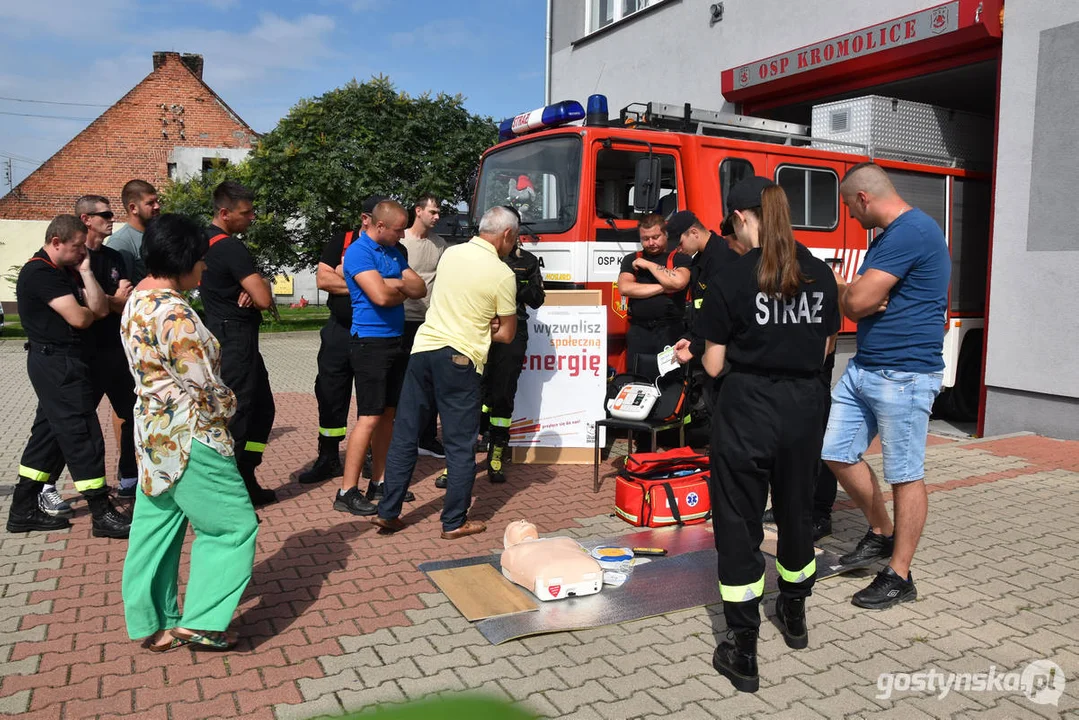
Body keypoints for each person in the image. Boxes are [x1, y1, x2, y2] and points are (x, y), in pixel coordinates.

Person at [697, 177, 840, 693]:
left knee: (739, 521)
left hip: (748, 409)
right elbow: (826, 347)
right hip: (804, 408)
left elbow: (713, 364)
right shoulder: (820, 273)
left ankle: (742, 647)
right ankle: (795, 613)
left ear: (740, 217)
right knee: (797, 509)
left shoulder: (731, 278)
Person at [120, 213, 258, 652]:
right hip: (191, 436)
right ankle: (203, 622)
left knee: (155, 527)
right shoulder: (174, 313)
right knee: (233, 526)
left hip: (152, 434)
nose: (204, 269)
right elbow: (203, 385)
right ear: (183, 260)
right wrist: (230, 410)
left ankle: (152, 622)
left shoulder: (136, 302)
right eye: (200, 260)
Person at [822, 161, 950, 609]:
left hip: (905, 374)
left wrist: (845, 287)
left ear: (864, 198)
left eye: (849, 208)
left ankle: (899, 574)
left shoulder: (912, 231)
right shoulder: (886, 239)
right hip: (865, 368)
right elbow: (862, 298)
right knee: (836, 452)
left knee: (905, 474)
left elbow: (856, 302)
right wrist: (856, 292)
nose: (851, 218)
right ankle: (880, 531)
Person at [373, 206, 519, 540]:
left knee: (405, 435)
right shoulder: (502, 274)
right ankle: (454, 521)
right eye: (515, 238)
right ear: (507, 235)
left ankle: (388, 511)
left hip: (423, 351)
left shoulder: (450, 254)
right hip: (460, 360)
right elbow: (507, 335)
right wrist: (485, 326)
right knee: (459, 444)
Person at [6, 215, 131, 538]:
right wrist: (91, 310)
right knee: (83, 435)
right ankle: (101, 513)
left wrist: (87, 272)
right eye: (77, 248)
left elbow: (100, 311)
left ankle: (23, 509)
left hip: (64, 361)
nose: (82, 253)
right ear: (56, 242)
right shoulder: (41, 273)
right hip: (56, 363)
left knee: (47, 436)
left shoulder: (67, 271)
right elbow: (81, 317)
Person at [333, 200, 426, 514]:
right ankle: (347, 490)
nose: (402, 234)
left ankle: (379, 481)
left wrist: (395, 283)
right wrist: (398, 286)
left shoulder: (395, 251)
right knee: (369, 417)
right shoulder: (360, 252)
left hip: (395, 342)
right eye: (398, 228)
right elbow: (381, 297)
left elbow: (420, 287)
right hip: (369, 343)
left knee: (388, 415)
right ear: (379, 225)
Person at [198, 181, 277, 506]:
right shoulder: (229, 247)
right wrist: (261, 286)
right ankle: (229, 490)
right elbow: (262, 297)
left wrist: (258, 287)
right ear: (225, 213)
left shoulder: (204, 240)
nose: (252, 217)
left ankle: (246, 474)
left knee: (263, 408)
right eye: (246, 213)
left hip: (225, 333)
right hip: (235, 338)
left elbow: (257, 295)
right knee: (240, 411)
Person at [299, 195, 386, 485]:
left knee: (371, 398)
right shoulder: (341, 240)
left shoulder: (390, 247)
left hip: (371, 333)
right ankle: (328, 458)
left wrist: (346, 276)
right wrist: (365, 282)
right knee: (330, 392)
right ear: (365, 219)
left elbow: (388, 287)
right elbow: (323, 280)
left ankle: (370, 459)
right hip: (338, 331)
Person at [75, 195, 139, 499]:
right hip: (86, 353)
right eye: (105, 214)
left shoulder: (114, 257)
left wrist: (106, 300)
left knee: (132, 412)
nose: (112, 218)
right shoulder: (75, 258)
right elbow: (91, 306)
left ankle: (129, 476)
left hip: (116, 349)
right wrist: (110, 300)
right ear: (87, 219)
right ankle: (47, 485)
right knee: (77, 420)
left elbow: (124, 298)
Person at [479, 237, 545, 483]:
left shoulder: (526, 260)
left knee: (503, 393)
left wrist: (519, 283)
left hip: (513, 332)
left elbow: (537, 298)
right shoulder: (478, 256)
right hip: (479, 330)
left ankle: (496, 453)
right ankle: (459, 459)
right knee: (471, 394)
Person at [400, 193, 448, 460]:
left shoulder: (440, 244)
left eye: (438, 212)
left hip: (430, 324)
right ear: (418, 211)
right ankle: (402, 438)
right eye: (433, 212)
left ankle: (427, 439)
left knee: (432, 383)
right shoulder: (400, 241)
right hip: (402, 321)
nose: (437, 217)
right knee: (404, 384)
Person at [617, 214, 691, 379]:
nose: (651, 243)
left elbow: (679, 282)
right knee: (637, 378)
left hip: (669, 330)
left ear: (665, 234)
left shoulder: (680, 258)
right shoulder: (631, 260)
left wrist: (649, 265)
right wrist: (664, 287)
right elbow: (625, 288)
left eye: (655, 237)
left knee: (670, 380)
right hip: (639, 331)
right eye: (645, 239)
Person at [106, 179, 161, 285]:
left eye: (157, 201)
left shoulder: (157, 234)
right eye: (150, 203)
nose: (157, 206)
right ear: (133, 208)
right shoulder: (120, 242)